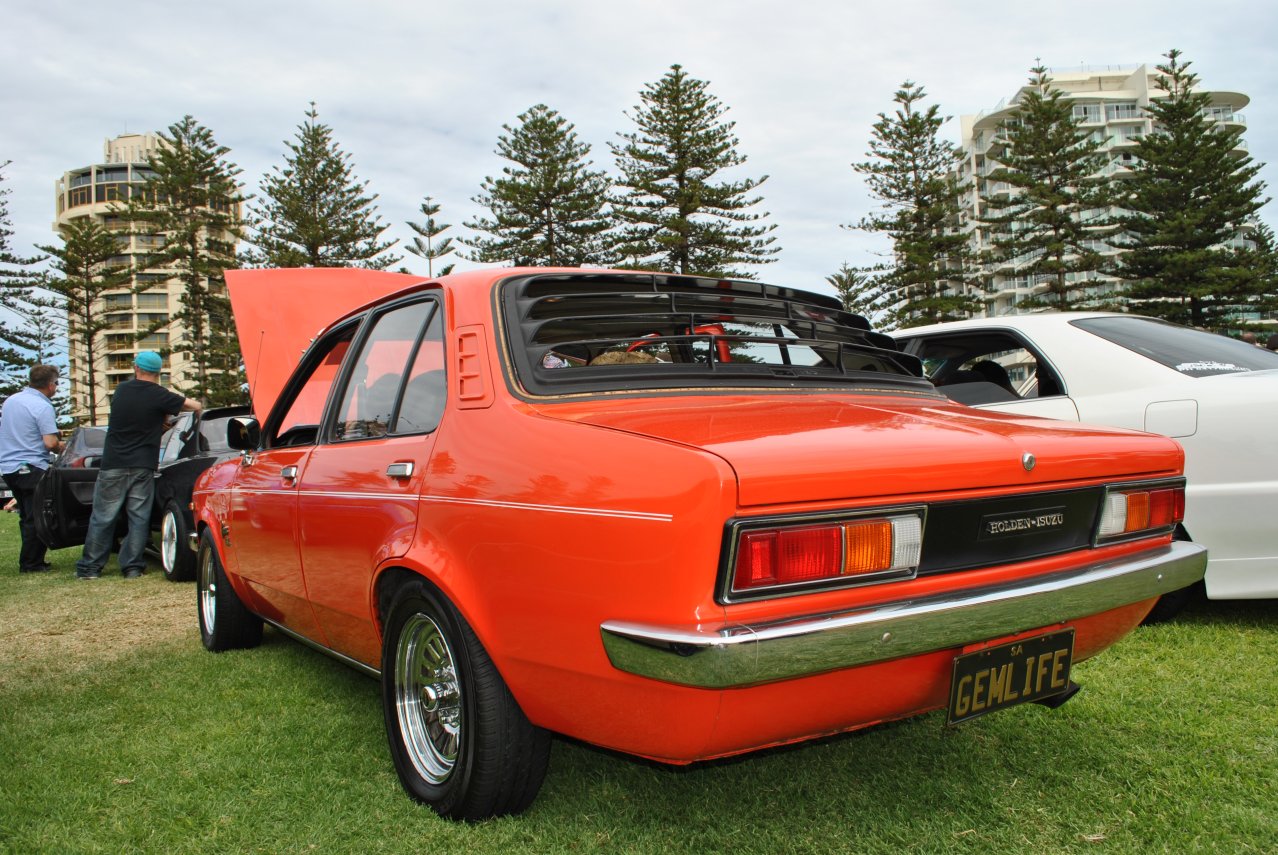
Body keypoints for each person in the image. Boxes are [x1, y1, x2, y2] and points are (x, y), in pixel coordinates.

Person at [75, 352, 201, 580]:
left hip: (114, 463)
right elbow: (195, 405)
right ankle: (132, 567)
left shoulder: (122, 391)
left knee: (103, 517)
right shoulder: (160, 395)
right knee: (139, 518)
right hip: (143, 465)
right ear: (159, 372)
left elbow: (133, 418)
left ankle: (90, 568)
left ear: (136, 368)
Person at [0, 365, 64, 573]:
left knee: (27, 515)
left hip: (9, 467)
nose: (56, 388)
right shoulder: (42, 406)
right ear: (50, 384)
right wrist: (64, 446)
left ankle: (31, 560)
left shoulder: (12, 401)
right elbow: (50, 443)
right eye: (56, 384)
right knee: (37, 516)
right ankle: (31, 563)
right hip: (31, 467)